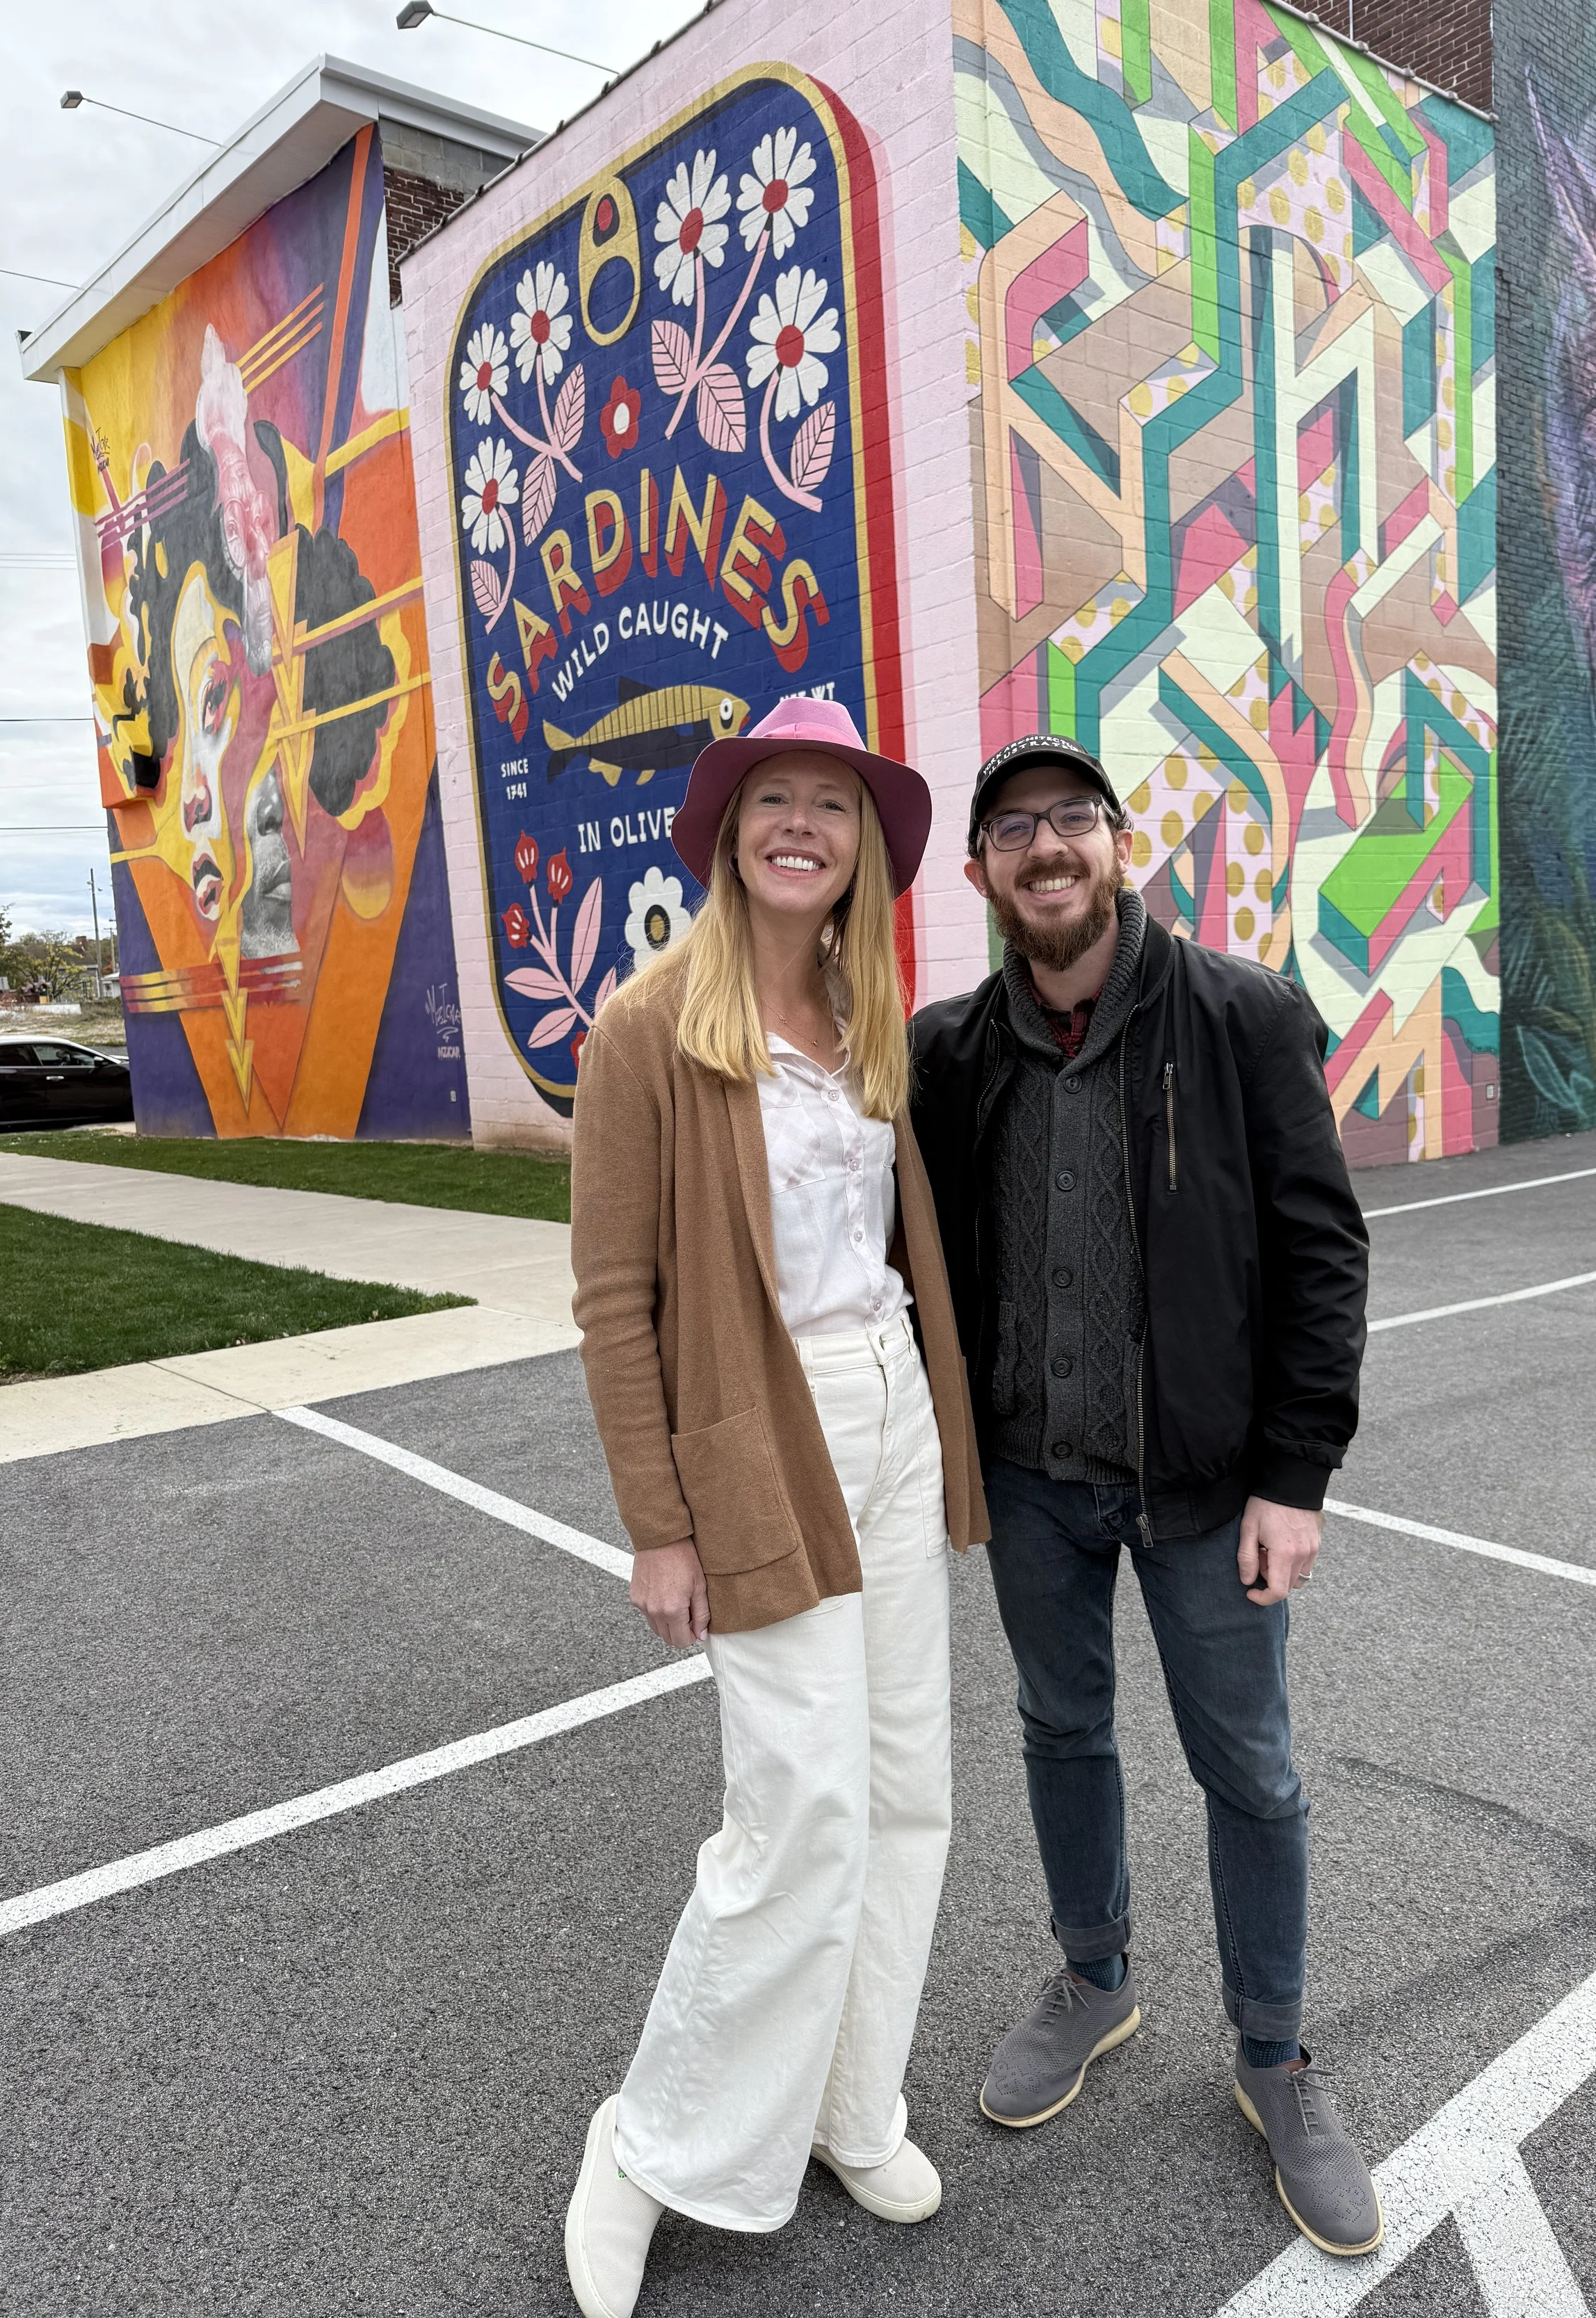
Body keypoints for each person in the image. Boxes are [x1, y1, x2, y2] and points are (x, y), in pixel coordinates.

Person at [909, 734, 1379, 2258]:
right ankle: (1096, 1979)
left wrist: (1291, 1479)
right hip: (1035, 1483)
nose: (1042, 850)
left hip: (1201, 1489)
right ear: (981, 873)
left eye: (1069, 823)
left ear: (1116, 848)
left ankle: (1274, 2058)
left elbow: (1319, 1254)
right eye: (1010, 831)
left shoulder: (1238, 1018)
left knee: (1249, 1770)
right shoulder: (950, 1051)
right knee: (1060, 1730)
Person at [563, 695, 990, 2318]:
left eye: (832, 802)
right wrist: (658, 1521)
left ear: (862, 845)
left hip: (884, 1407)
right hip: (760, 1428)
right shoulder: (648, 1027)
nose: (800, 823)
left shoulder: (867, 1009)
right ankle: (648, 2142)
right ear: (730, 827)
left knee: (901, 1790)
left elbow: (896, 1251)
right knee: (792, 1808)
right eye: (772, 798)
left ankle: (845, 2102)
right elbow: (616, 1299)